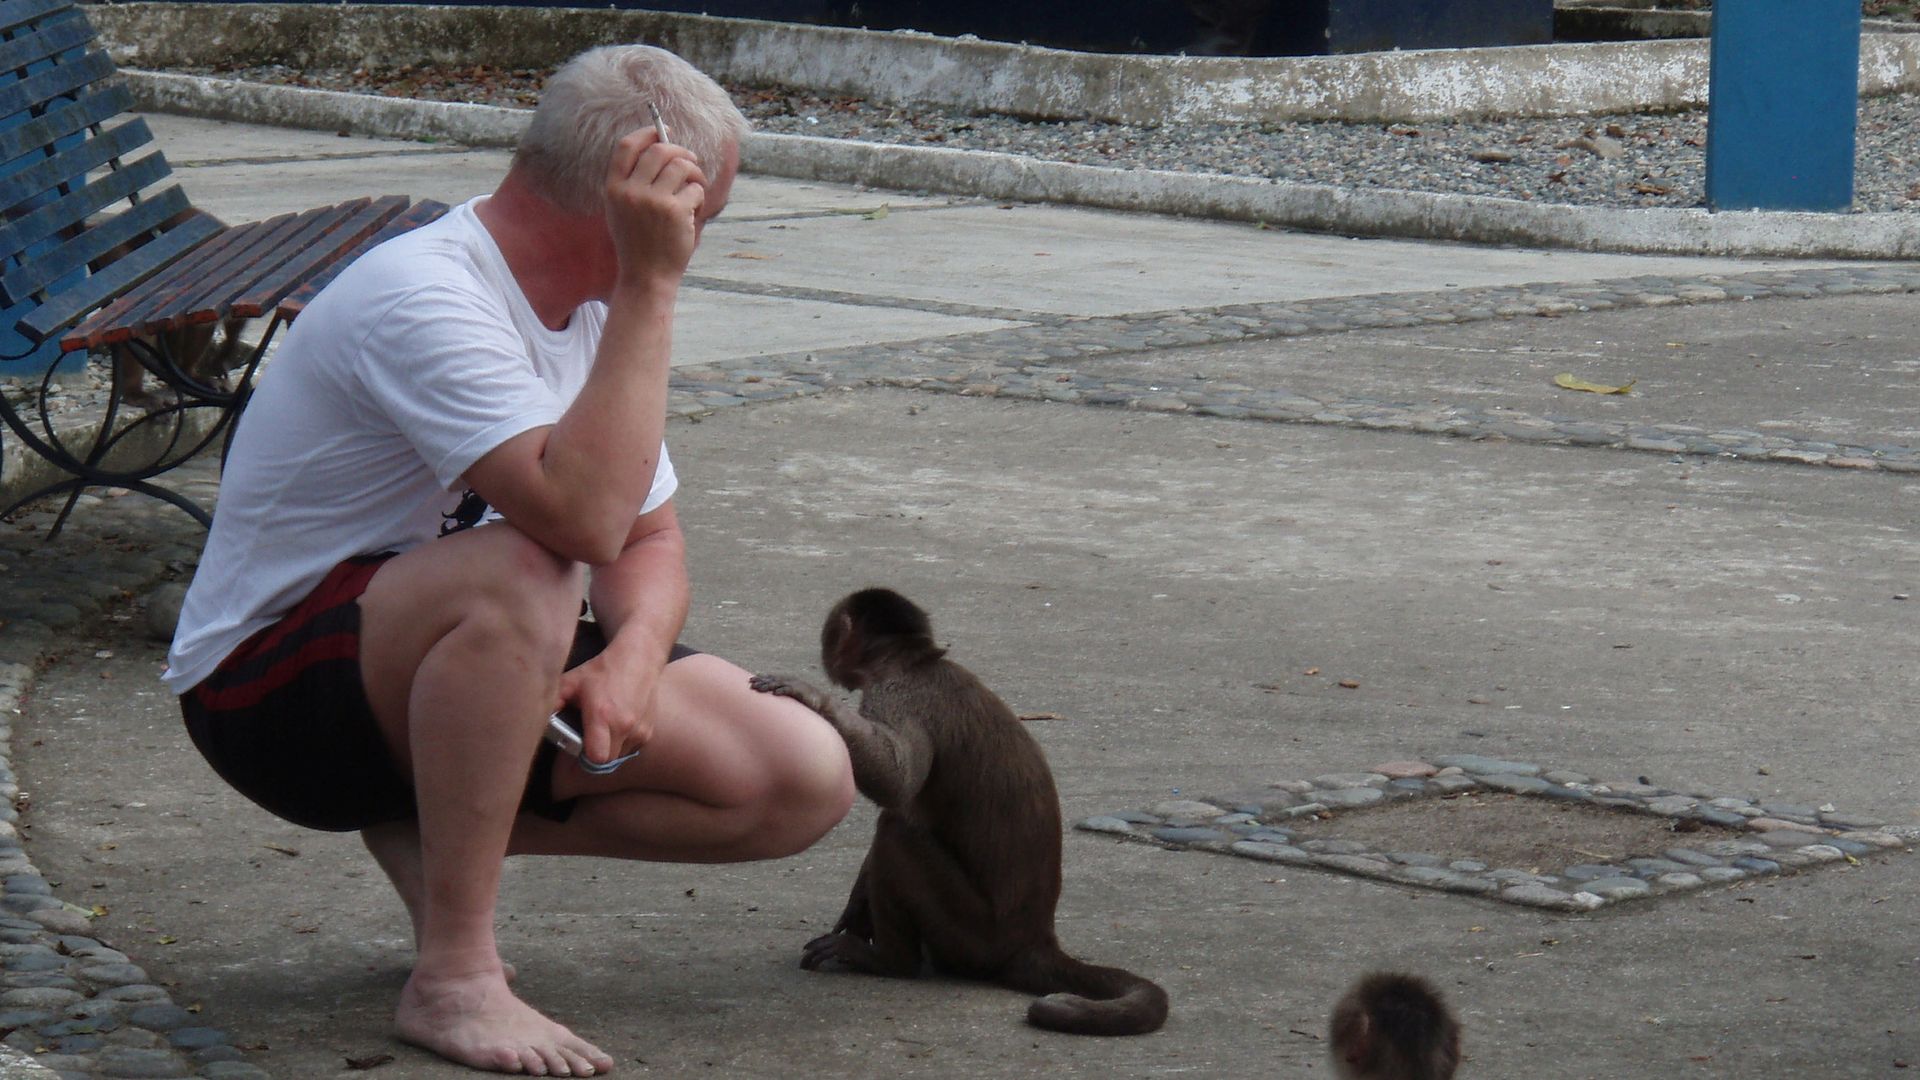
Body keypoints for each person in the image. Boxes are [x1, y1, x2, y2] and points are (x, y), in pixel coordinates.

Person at [161, 45, 855, 1077]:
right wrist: (654, 285)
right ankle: (453, 975)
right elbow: (578, 523)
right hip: (267, 696)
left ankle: (435, 828)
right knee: (525, 569)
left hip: (452, 659)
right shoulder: (426, 295)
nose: (702, 241)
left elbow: (647, 536)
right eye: (702, 216)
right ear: (636, 193)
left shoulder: (588, 312)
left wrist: (632, 656)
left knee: (799, 774)